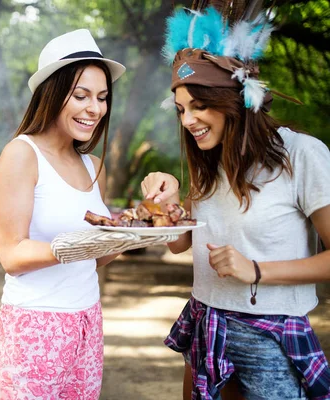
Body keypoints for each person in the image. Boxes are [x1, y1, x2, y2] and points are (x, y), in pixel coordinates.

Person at [141, 7, 330, 400]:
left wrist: (255, 269)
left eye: (199, 106)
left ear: (231, 99)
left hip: (272, 338)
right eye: (181, 110)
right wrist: (169, 205)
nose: (188, 120)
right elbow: (180, 243)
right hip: (207, 325)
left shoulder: (302, 155)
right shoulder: (210, 161)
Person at [0, 29, 126, 398]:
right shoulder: (22, 154)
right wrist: (73, 246)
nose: (94, 108)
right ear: (51, 94)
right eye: (81, 95)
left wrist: (127, 237)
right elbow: (12, 255)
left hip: (87, 321)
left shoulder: (94, 165)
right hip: (34, 327)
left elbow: (96, 258)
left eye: (102, 97)